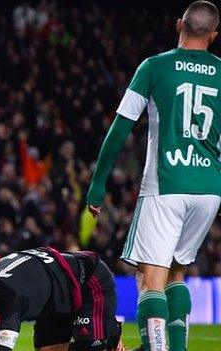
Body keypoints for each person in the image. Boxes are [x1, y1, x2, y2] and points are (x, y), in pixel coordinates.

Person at [86, 1, 221, 351]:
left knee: (150, 280)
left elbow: (120, 129)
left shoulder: (155, 67)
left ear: (180, 25)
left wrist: (98, 185)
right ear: (214, 36)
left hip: (166, 184)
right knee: (177, 274)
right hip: (209, 190)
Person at [0, 247, 124, 351]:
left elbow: (2, 348)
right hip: (52, 299)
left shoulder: (5, 297)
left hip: (87, 279)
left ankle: (110, 335)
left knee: (90, 349)